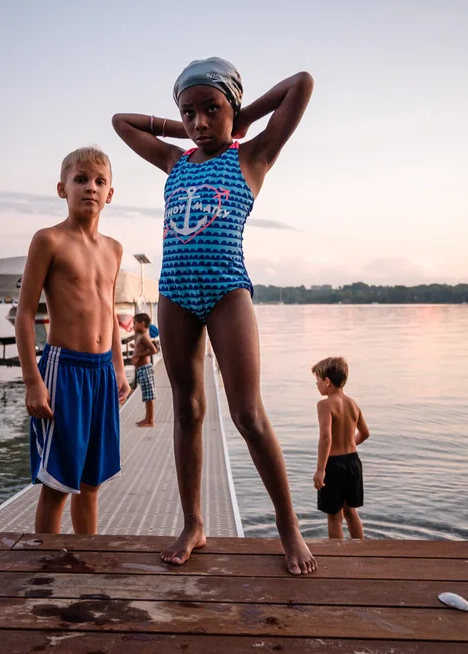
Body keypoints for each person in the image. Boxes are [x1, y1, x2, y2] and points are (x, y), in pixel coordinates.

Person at [112, 58, 317, 574]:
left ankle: (288, 530)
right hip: (175, 294)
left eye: (211, 109)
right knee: (188, 410)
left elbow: (301, 84)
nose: (200, 122)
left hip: (228, 291)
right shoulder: (174, 161)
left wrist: (243, 118)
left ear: (231, 108)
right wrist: (177, 124)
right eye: (190, 113)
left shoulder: (253, 156)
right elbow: (121, 122)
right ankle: (194, 522)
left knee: (247, 413)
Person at [16, 146, 131, 536]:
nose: (90, 188)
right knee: (58, 484)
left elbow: (111, 314)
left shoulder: (114, 250)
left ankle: (87, 562)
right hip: (63, 370)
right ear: (62, 188)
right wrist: (33, 380)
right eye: (80, 179)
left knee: (91, 484)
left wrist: (118, 368)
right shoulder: (49, 240)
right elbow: (26, 314)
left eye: (100, 182)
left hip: (101, 373)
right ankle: (45, 571)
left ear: (110, 194)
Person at [312, 357, 369, 540]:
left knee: (335, 516)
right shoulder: (353, 404)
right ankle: (361, 550)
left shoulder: (325, 405)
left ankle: (338, 557)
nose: (317, 384)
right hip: (353, 462)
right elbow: (365, 433)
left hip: (334, 465)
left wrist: (320, 470)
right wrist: (350, 444)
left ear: (327, 381)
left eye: (318, 380)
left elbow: (326, 438)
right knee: (350, 512)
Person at [131, 312, 158, 427]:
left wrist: (138, 355)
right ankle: (147, 418)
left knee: (149, 395)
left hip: (145, 368)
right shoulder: (138, 335)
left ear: (142, 324)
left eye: (135, 323)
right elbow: (139, 346)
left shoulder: (144, 336)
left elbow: (153, 350)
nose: (133, 326)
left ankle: (150, 420)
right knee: (146, 394)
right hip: (140, 369)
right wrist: (135, 348)